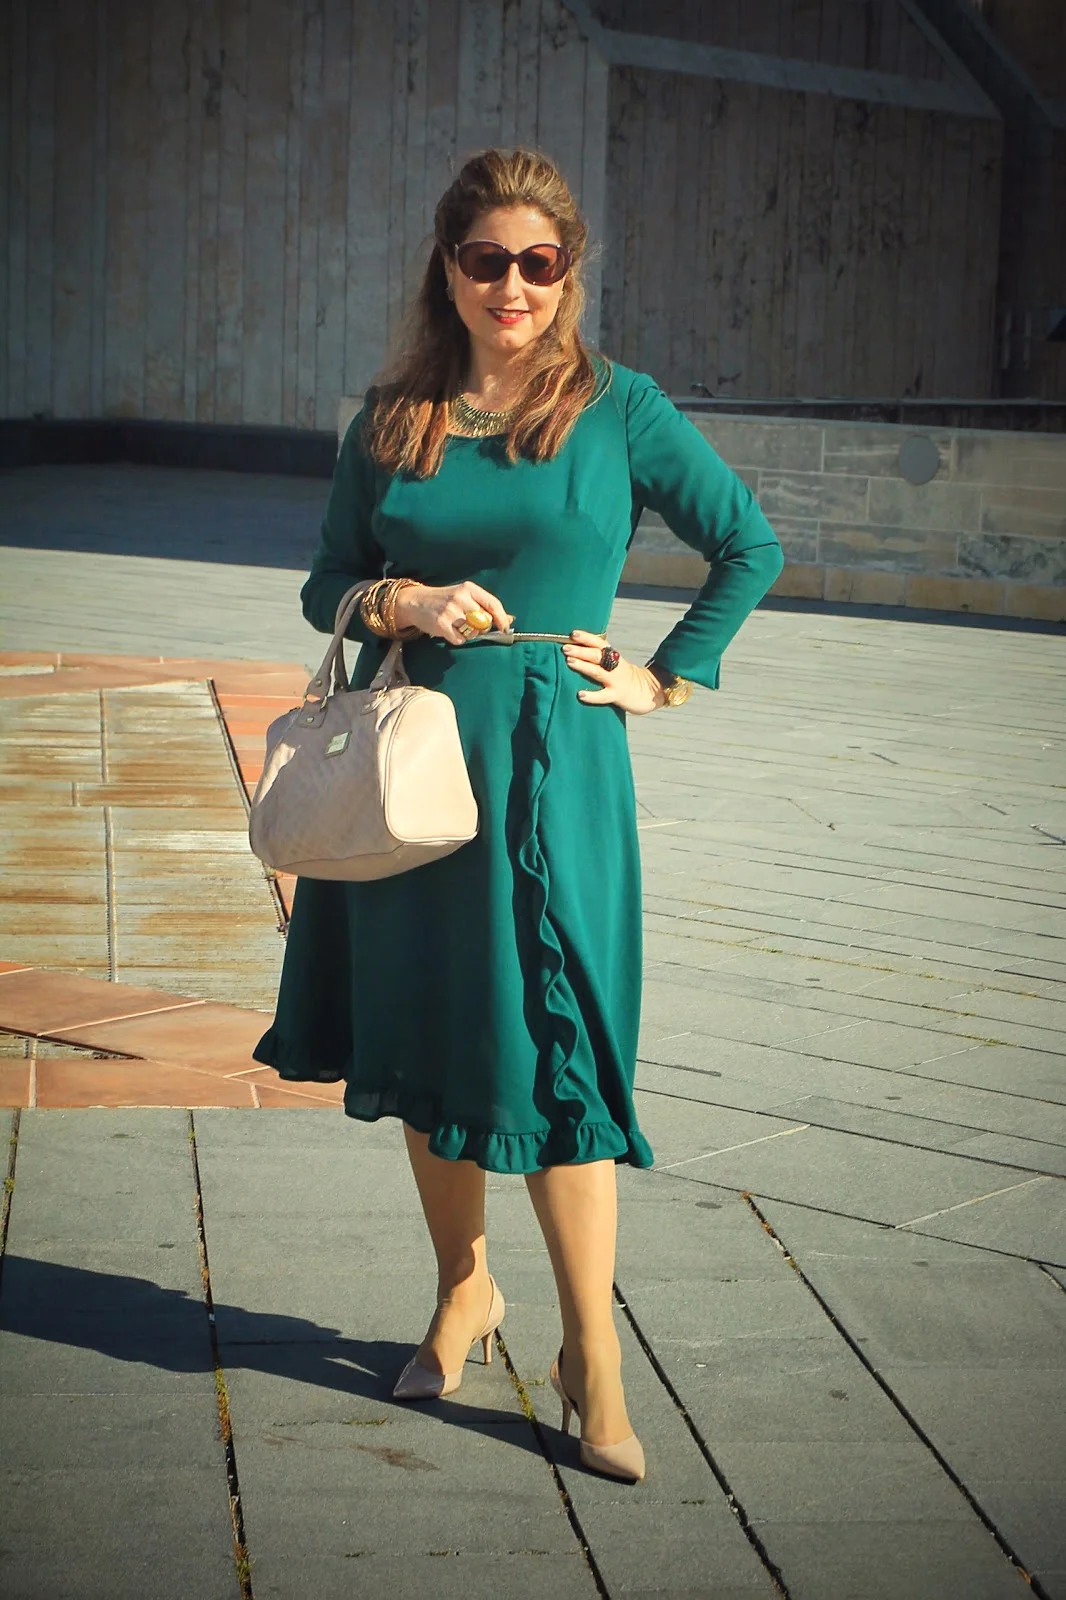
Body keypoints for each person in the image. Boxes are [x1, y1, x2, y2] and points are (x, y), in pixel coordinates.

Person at [253, 147, 783, 1484]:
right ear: (448, 267)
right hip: (409, 768)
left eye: (538, 263)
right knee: (429, 1031)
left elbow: (748, 544)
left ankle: (591, 1353)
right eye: (486, 260)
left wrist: (667, 675)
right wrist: (403, 599)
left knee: (557, 1056)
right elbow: (327, 584)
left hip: (554, 764)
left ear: (568, 272)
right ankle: (463, 1291)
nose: (512, 286)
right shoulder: (393, 419)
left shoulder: (618, 407)